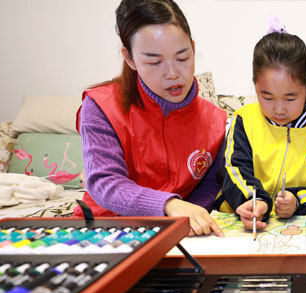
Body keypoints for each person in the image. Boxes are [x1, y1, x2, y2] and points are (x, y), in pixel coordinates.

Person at [75, 0, 227, 236]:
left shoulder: (215, 121)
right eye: (155, 62)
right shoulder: (101, 107)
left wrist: (189, 219)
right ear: (129, 59)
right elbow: (105, 182)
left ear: (193, 49)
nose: (173, 74)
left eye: (182, 58)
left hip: (178, 233)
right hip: (105, 229)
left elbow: (209, 185)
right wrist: (169, 205)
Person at [216, 29, 306, 231]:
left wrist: (296, 200)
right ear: (255, 85)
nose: (279, 109)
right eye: (267, 97)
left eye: (290, 98)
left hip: (296, 227)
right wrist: (255, 200)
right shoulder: (245, 120)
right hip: (239, 217)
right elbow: (234, 170)